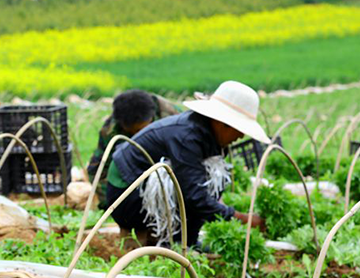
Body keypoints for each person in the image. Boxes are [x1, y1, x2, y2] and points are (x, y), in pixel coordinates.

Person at [106, 81, 267, 248]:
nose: (241, 136)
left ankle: (184, 243)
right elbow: (194, 196)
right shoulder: (187, 137)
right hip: (126, 191)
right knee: (190, 193)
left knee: (203, 184)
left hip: (141, 183)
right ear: (222, 122)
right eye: (239, 129)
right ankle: (172, 245)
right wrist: (241, 218)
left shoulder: (208, 134)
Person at [87, 90, 180, 209]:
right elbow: (97, 171)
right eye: (132, 132)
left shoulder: (172, 118)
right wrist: (113, 204)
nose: (138, 137)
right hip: (131, 174)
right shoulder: (111, 131)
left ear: (151, 119)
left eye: (140, 131)